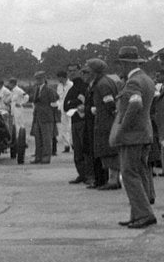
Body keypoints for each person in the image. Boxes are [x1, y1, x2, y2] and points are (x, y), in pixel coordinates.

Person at [110, 47, 156, 227]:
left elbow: (135, 105)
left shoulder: (133, 82)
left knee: (129, 174)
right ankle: (138, 214)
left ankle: (144, 214)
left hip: (132, 136)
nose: (119, 68)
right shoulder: (147, 79)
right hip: (144, 133)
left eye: (120, 64)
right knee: (140, 173)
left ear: (125, 63)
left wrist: (121, 129)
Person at [87, 58, 120, 190]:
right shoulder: (105, 81)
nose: (87, 72)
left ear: (94, 70)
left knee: (109, 151)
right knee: (107, 150)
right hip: (105, 121)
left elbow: (110, 103)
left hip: (106, 123)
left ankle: (113, 180)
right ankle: (113, 179)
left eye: (88, 69)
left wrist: (111, 115)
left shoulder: (102, 84)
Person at [62, 62, 90, 184]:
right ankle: (82, 174)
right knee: (77, 149)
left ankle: (89, 175)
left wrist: (73, 103)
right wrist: (75, 101)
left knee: (85, 149)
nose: (72, 73)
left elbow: (84, 102)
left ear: (79, 71)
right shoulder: (72, 88)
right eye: (69, 71)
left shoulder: (85, 86)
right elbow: (65, 106)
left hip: (84, 121)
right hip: (74, 121)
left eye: (74, 70)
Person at [29, 70, 59, 164]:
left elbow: (55, 102)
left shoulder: (49, 90)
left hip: (47, 117)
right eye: (37, 78)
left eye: (40, 78)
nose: (38, 80)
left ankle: (46, 157)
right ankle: (38, 156)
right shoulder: (37, 89)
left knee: (46, 139)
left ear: (44, 79)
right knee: (38, 138)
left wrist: (50, 113)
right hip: (38, 116)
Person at [55, 70, 72, 155]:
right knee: (64, 128)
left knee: (70, 127)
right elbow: (59, 97)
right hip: (62, 109)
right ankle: (66, 145)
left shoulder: (71, 85)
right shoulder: (59, 86)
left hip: (70, 108)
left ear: (62, 77)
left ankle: (73, 144)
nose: (58, 79)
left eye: (59, 78)